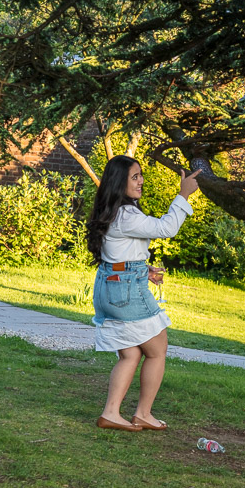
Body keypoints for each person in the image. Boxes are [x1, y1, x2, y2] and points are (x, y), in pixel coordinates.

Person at [85, 155, 200, 432]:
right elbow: (166, 228)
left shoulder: (111, 211)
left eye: (140, 176)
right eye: (135, 177)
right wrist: (183, 195)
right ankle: (143, 413)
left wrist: (142, 269)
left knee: (131, 355)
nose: (141, 181)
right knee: (158, 349)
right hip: (125, 292)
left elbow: (118, 253)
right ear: (119, 182)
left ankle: (111, 413)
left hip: (109, 286)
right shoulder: (127, 215)